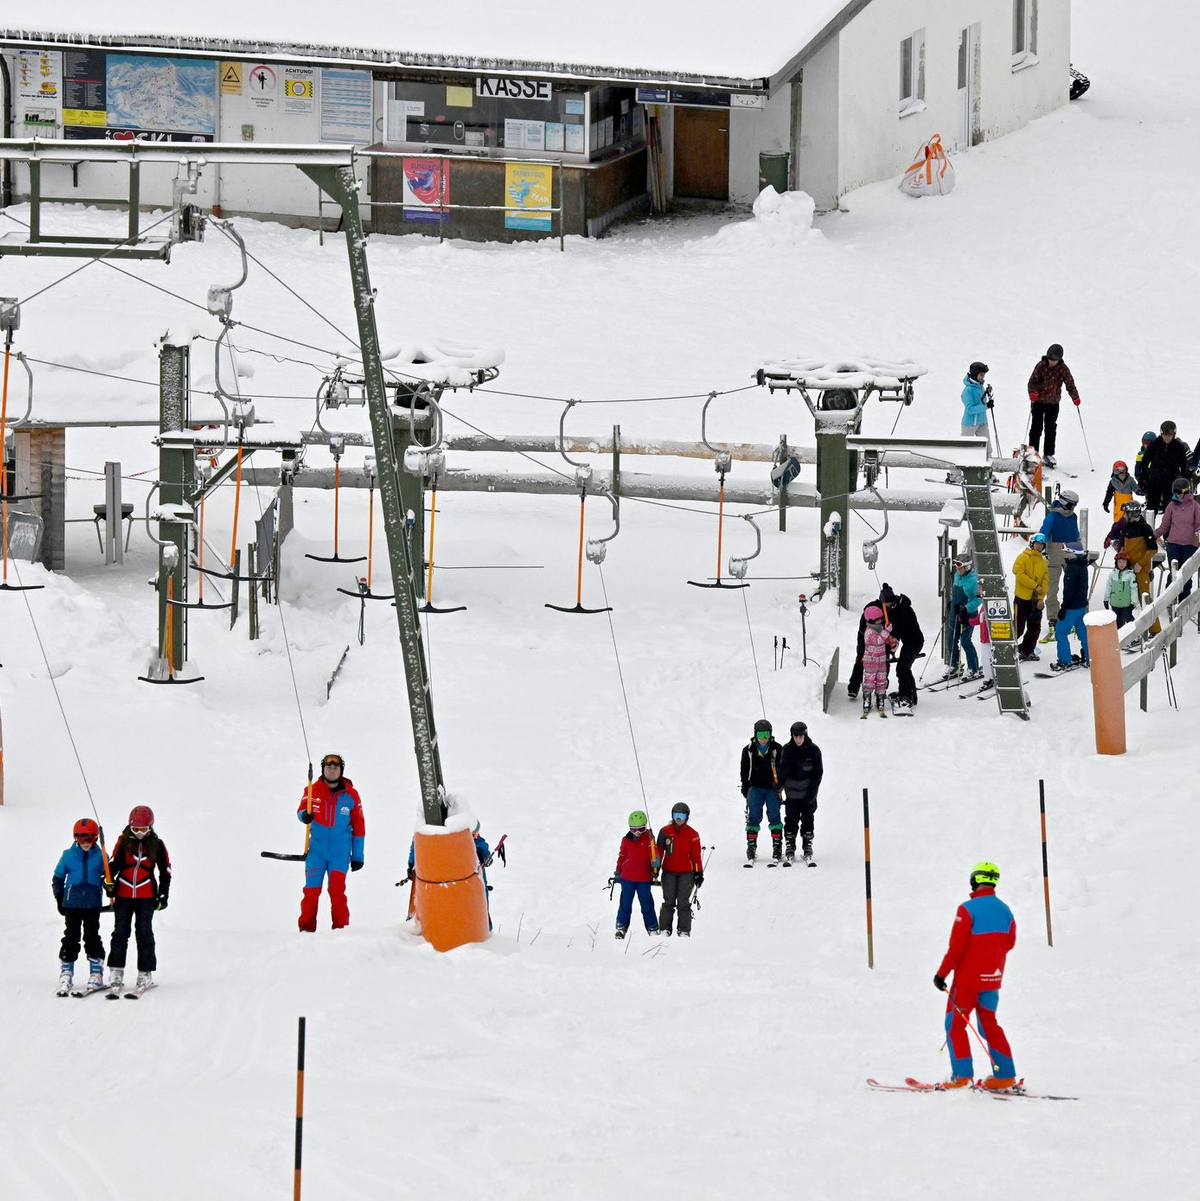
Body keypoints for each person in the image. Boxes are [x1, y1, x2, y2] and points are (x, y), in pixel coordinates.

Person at [933, 861, 1018, 1090]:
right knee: (989, 1024)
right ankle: (1005, 1076)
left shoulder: (967, 909)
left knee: (955, 1026)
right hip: (993, 980)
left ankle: (961, 1077)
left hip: (967, 983)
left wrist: (941, 974)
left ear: (974, 880)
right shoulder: (1005, 910)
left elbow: (956, 949)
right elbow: (1009, 943)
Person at [297, 753, 365, 933]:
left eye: (336, 767)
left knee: (337, 893)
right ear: (323, 769)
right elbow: (301, 810)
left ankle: (341, 933)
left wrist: (358, 856)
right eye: (329, 766)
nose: (332, 769)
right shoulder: (312, 789)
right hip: (316, 853)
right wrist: (304, 816)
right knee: (311, 893)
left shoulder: (351, 795)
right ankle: (305, 932)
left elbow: (359, 826)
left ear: (341, 771)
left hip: (339, 854)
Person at [106, 805, 171, 994]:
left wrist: (163, 895)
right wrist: (108, 882)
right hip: (124, 894)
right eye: (136, 829)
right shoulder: (123, 841)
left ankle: (145, 973)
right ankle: (116, 971)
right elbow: (114, 865)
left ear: (150, 827)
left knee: (144, 933)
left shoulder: (157, 845)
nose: (140, 833)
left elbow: (165, 871)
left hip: (146, 895)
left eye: (143, 830)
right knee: (120, 932)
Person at [52, 818, 108, 996]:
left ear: (96, 838)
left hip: (92, 904)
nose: (85, 842)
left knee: (92, 936)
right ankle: (66, 971)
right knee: (71, 935)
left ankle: (96, 973)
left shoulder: (101, 856)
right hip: (73, 903)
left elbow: (107, 878)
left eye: (89, 838)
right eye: (81, 838)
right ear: (75, 837)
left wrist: (109, 885)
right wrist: (60, 898)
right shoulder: (68, 855)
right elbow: (58, 878)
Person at [848, 584, 925, 707]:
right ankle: (855, 686)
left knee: (903, 667)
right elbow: (865, 636)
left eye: (889, 606)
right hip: (883, 638)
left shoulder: (903, 610)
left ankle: (906, 695)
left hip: (913, 641)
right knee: (863, 658)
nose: (887, 609)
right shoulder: (874, 612)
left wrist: (893, 640)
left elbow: (900, 629)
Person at [1104, 500, 1160, 636]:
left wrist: (1141, 564)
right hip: (1127, 569)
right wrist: (1120, 558)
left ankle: (1155, 630)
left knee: (1144, 599)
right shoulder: (1127, 526)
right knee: (1125, 599)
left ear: (1133, 513)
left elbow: (1153, 548)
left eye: (1127, 513)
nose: (1125, 515)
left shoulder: (1144, 528)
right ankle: (1125, 631)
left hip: (1140, 569)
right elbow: (1123, 545)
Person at [1026, 343, 1080, 468]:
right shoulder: (1040, 366)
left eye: (1054, 360)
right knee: (1036, 428)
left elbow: (1070, 384)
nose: (1051, 362)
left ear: (1059, 359)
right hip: (1038, 402)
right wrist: (1032, 393)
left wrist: (1075, 397)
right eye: (1050, 359)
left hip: (1053, 403)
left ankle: (1049, 454)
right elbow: (1032, 382)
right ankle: (1033, 453)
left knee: (1051, 429)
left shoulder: (1063, 369)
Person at [740, 719, 784, 864]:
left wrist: (780, 786)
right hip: (756, 789)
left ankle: (777, 847)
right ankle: (751, 847)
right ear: (755, 734)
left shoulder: (777, 748)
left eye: (765, 734)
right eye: (760, 734)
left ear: (770, 734)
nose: (763, 738)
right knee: (753, 816)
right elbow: (744, 770)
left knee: (774, 815)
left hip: (772, 789)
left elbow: (783, 769)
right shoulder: (748, 750)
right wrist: (746, 788)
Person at [655, 804, 703, 936]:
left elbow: (696, 856)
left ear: (687, 817)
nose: (679, 819)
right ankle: (665, 929)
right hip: (669, 872)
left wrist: (699, 872)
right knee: (668, 900)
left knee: (683, 901)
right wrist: (655, 867)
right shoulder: (665, 831)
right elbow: (659, 851)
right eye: (676, 816)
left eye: (682, 816)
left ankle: (684, 930)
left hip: (687, 873)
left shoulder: (693, 834)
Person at [611, 810, 660, 939]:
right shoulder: (626, 840)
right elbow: (622, 857)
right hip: (627, 878)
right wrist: (617, 871)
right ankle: (621, 927)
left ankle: (652, 927)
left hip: (643, 878)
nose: (637, 832)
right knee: (625, 903)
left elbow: (654, 852)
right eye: (634, 829)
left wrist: (655, 861)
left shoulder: (649, 838)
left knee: (646, 904)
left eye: (641, 829)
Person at [778, 721, 823, 863]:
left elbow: (818, 773)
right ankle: (790, 846)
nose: (798, 739)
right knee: (791, 819)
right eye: (795, 736)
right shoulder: (787, 750)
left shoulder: (814, 750)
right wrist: (778, 786)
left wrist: (812, 793)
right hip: (791, 792)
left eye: (801, 736)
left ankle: (807, 846)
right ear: (792, 736)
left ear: (805, 735)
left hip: (808, 792)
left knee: (808, 818)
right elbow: (782, 770)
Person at [1154, 477, 1200, 599]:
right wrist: (1152, 536)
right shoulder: (1171, 506)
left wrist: (1198, 532)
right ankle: (1169, 598)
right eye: (1175, 492)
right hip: (1174, 544)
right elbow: (1165, 525)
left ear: (1186, 491)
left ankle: (1184, 600)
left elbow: (1198, 524)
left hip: (1190, 545)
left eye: (1179, 492)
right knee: (1174, 572)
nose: (1177, 495)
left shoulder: (1195, 506)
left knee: (1186, 573)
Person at [1038, 489, 1080, 623]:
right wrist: (1040, 548)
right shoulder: (1053, 516)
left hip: (1071, 551)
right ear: (1065, 503)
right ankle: (1053, 616)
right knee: (1052, 587)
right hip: (1054, 552)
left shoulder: (1073, 517)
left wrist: (1080, 551)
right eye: (1072, 504)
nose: (1074, 507)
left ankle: (1071, 612)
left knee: (1073, 585)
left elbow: (1075, 534)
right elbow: (1043, 533)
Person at [941, 551, 981, 681]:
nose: (958, 570)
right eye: (956, 567)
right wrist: (952, 603)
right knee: (951, 640)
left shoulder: (974, 581)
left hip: (967, 615)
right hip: (955, 613)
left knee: (965, 641)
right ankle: (955, 665)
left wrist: (966, 608)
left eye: (960, 567)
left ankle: (973, 668)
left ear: (967, 567)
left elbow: (978, 599)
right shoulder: (958, 576)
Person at [1051, 542, 1090, 671]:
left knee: (1060, 632)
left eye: (1067, 552)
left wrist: (1064, 608)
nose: (1065, 555)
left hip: (1072, 607)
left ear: (1073, 553)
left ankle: (1064, 660)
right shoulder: (1083, 565)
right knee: (1083, 634)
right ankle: (1090, 657)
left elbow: (1069, 591)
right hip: (1082, 606)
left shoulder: (1072, 568)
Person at [1140, 421, 1192, 515]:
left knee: (1171, 510)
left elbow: (1184, 465)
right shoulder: (1154, 445)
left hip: (1170, 483)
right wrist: (1143, 478)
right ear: (1161, 433)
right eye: (1165, 433)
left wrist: (1185, 482)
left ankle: (1171, 529)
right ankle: (1150, 529)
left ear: (1174, 434)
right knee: (1151, 510)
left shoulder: (1178, 447)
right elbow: (1145, 461)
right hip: (1154, 482)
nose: (1167, 437)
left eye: (1170, 434)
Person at [1013, 533, 1049, 661]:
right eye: (1038, 543)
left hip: (1035, 600)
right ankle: (1007, 648)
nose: (1039, 546)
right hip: (1022, 598)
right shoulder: (1023, 557)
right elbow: (1018, 573)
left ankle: (1027, 650)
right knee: (1018, 626)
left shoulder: (1042, 561)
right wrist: (1034, 585)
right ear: (1032, 543)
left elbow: (1045, 580)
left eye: (1042, 544)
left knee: (1034, 627)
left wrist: (1041, 598)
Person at [859, 605, 896, 717]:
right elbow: (878, 640)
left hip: (881, 662)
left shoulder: (880, 629)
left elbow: (885, 641)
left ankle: (880, 699)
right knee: (869, 682)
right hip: (870, 662)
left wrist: (893, 643)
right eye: (879, 619)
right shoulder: (868, 632)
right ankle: (867, 700)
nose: (881, 621)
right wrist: (886, 632)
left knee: (881, 681)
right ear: (872, 620)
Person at [960, 361, 992, 449]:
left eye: (984, 374)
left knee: (987, 447)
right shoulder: (968, 390)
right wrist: (986, 406)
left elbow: (981, 402)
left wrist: (989, 397)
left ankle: (988, 460)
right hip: (970, 424)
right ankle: (963, 461)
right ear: (974, 375)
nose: (983, 377)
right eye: (981, 374)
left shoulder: (980, 387)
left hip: (982, 422)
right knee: (964, 447)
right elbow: (970, 409)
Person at [1105, 550, 1138, 628]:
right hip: (1115, 603)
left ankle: (1135, 636)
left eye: (1124, 562)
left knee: (1129, 619)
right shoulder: (1112, 574)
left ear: (1127, 563)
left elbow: (1134, 589)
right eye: (1119, 562)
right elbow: (1108, 586)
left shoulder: (1130, 575)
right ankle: (1119, 636)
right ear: (1116, 563)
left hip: (1126, 603)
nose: (1121, 564)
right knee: (1117, 621)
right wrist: (1106, 599)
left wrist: (1134, 601)